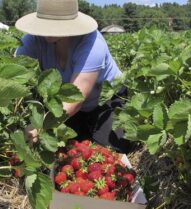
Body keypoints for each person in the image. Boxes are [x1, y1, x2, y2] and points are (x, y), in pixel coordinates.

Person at [15, 0, 130, 153]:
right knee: (63, 148)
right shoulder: (33, 40)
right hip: (67, 104)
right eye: (44, 23)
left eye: (53, 24)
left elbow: (75, 99)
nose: (47, 29)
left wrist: (40, 125)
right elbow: (14, 72)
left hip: (106, 99)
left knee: (112, 148)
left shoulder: (92, 43)